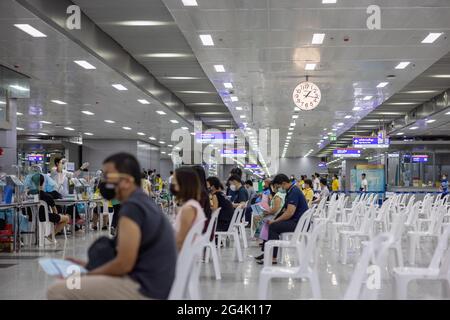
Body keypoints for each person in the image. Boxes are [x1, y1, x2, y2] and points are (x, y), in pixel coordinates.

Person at [47, 153, 177, 300]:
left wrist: (87, 274)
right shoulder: (142, 202)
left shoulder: (133, 208)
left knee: (57, 290)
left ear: (127, 180)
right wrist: (87, 266)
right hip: (154, 283)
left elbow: (123, 265)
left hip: (144, 289)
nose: (104, 181)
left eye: (109, 176)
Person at [255, 174, 309, 265]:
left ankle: (272, 257)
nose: (277, 189)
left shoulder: (294, 192)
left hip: (299, 223)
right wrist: (274, 218)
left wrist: (275, 221)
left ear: (283, 183)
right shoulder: (290, 191)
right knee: (269, 223)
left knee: (273, 226)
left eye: (278, 187)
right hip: (296, 221)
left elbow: (289, 212)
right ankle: (266, 252)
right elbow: (284, 210)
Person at [171, 167, 206, 251]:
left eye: (174, 179)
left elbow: (180, 241)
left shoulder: (189, 209)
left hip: (179, 256)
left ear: (183, 183)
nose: (172, 182)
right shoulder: (192, 205)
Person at [37, 174, 69, 244]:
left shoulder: (31, 194)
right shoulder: (47, 196)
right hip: (45, 217)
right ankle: (51, 235)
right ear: (43, 183)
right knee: (66, 218)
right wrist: (59, 216)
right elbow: (55, 211)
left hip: (33, 217)